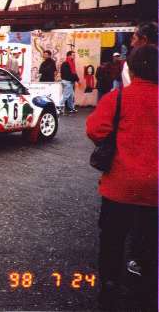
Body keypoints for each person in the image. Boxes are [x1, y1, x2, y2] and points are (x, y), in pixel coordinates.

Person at [86, 45, 158, 310]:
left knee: (112, 240)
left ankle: (109, 287)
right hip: (156, 191)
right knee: (150, 242)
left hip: (119, 186)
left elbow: (95, 130)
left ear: (132, 69)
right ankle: (148, 290)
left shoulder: (117, 98)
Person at [122, 21, 157, 87]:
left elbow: (132, 89)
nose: (132, 44)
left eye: (134, 38)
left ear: (144, 40)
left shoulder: (129, 64)